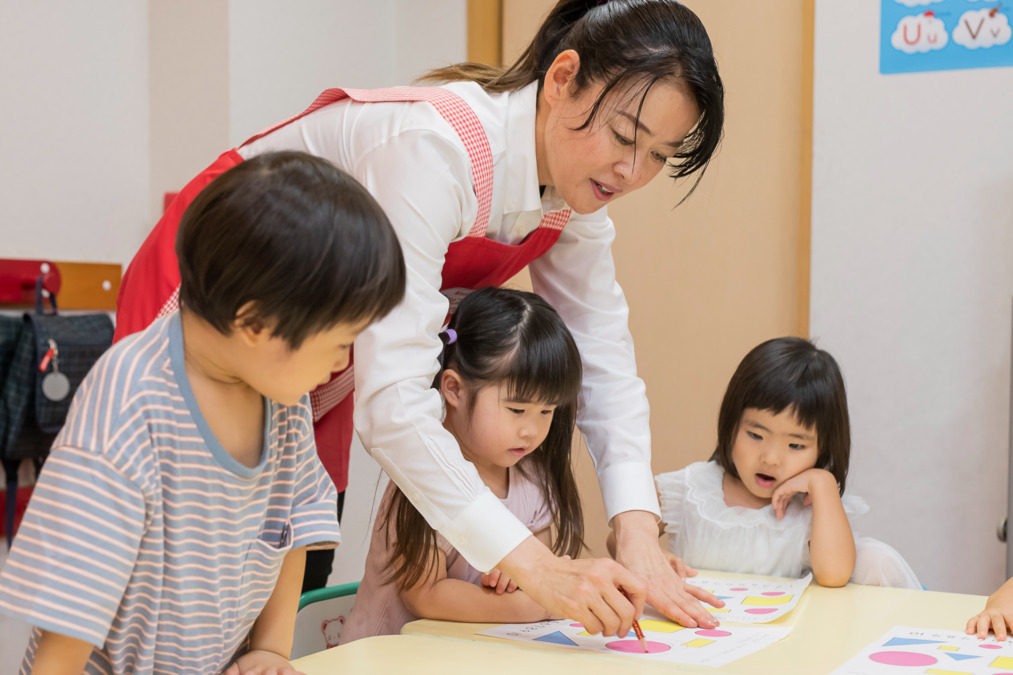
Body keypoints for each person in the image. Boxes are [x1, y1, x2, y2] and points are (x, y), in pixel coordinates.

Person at [113, 0, 725, 634]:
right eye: (625, 136)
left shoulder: (571, 194)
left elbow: (602, 354)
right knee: (173, 573)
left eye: (660, 155)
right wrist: (536, 567)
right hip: (216, 308)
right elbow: (396, 403)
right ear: (563, 79)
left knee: (289, 562)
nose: (632, 172)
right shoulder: (433, 148)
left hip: (316, 360)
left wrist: (637, 532)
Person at [0, 152, 406, 674]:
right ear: (255, 324)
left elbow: (293, 531)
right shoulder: (130, 404)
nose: (341, 362)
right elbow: (71, 611)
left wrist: (269, 650)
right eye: (340, 342)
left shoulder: (284, 400)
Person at [340, 287, 588, 642]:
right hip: (390, 656)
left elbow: (538, 564)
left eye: (546, 411)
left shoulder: (533, 479)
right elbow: (424, 594)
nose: (531, 430)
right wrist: (526, 606)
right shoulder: (423, 474)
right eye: (517, 409)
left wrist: (518, 580)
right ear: (454, 389)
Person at [653, 338, 921, 589]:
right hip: (694, 622)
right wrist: (653, 556)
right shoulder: (689, 488)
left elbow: (835, 574)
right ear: (731, 423)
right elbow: (629, 538)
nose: (770, 458)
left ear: (823, 448)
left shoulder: (812, 510)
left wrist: (823, 482)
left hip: (782, 624)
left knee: (878, 557)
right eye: (756, 435)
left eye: (795, 446)